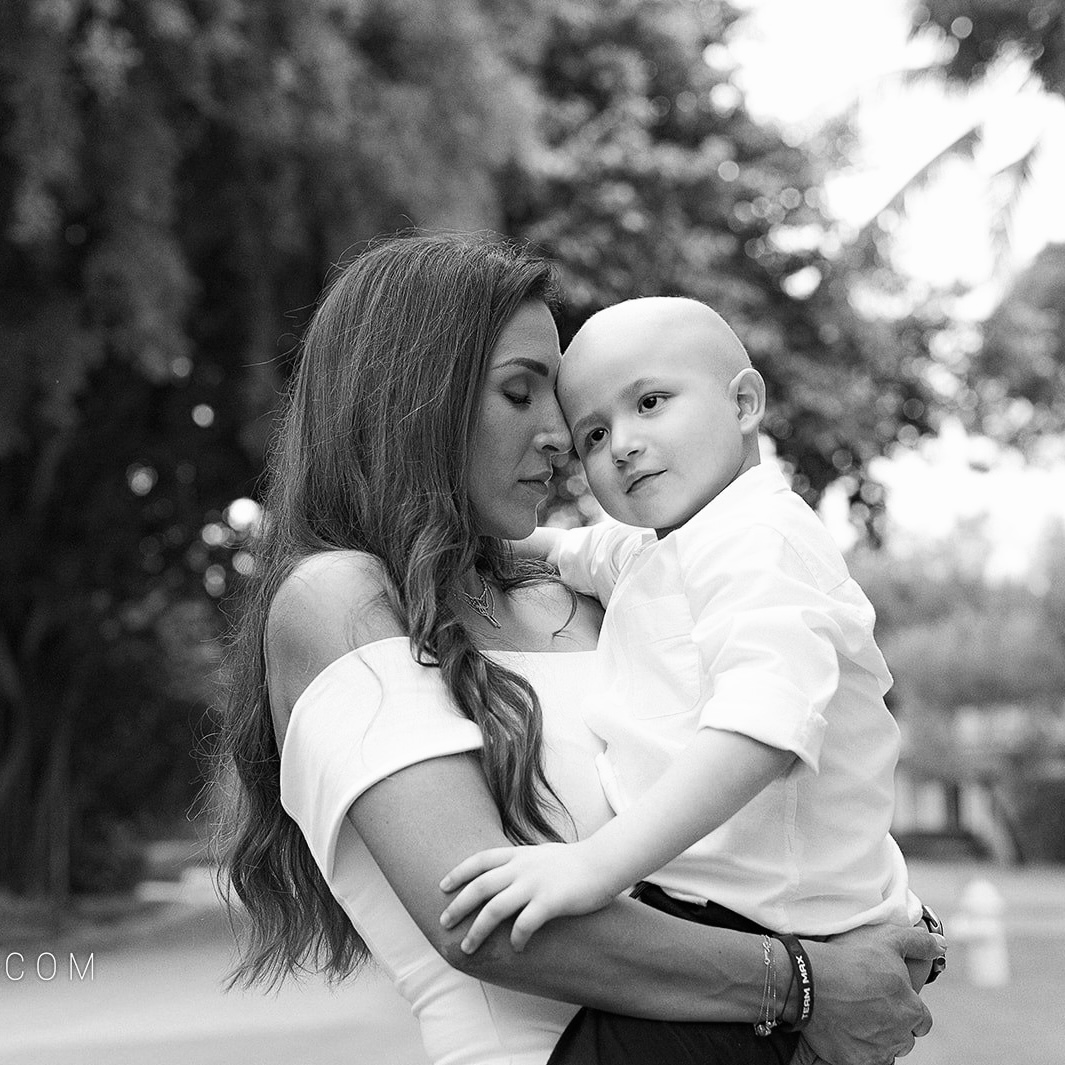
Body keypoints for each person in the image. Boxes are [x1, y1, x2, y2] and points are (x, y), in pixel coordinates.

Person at [215, 235, 942, 1065]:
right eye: (520, 393)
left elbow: (781, 763)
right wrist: (805, 982)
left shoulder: (617, 587)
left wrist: (876, 924)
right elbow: (482, 923)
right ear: (411, 399)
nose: (563, 438)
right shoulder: (336, 597)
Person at [438, 296, 942, 1057]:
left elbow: (761, 731)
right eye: (595, 434)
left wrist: (594, 865)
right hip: (713, 924)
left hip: (778, 924)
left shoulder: (761, 541)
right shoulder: (653, 546)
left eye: (649, 403)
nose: (623, 446)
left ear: (743, 402)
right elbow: (548, 547)